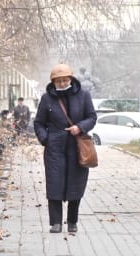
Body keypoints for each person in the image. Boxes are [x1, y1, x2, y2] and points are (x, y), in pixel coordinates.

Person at [34, 63, 97, 233]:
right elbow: (39, 122)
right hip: (54, 148)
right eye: (58, 81)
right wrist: (45, 139)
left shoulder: (83, 95)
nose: (62, 83)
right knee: (54, 183)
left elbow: (92, 117)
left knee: (76, 184)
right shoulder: (47, 98)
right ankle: (55, 222)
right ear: (53, 82)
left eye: (65, 80)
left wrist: (80, 127)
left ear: (71, 78)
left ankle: (72, 221)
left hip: (77, 147)